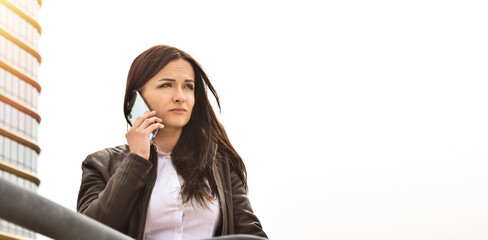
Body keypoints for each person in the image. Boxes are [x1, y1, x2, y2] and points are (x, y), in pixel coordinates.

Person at [76, 45, 267, 240]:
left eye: (188, 86)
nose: (180, 97)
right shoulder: (100, 164)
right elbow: (84, 234)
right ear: (137, 97)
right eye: (166, 85)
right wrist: (136, 161)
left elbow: (251, 234)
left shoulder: (221, 165)